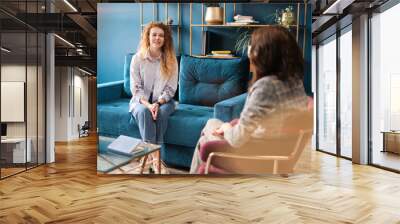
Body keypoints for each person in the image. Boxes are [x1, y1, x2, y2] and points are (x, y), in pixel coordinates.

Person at [190, 26, 310, 174]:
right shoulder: (295, 82)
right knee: (212, 123)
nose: (250, 51)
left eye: (253, 46)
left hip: (255, 152)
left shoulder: (265, 87)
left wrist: (227, 128)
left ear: (265, 54)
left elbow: (237, 139)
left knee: (207, 133)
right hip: (274, 148)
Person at [129, 22, 178, 144]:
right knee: (145, 112)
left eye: (161, 35)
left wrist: (157, 103)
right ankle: (154, 156)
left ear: (165, 39)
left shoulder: (171, 60)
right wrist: (149, 105)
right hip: (140, 102)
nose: (157, 38)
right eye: (154, 34)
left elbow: (170, 89)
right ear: (148, 37)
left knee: (160, 113)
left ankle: (154, 157)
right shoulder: (137, 58)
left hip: (164, 102)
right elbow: (136, 88)